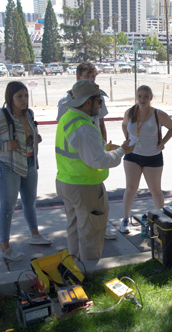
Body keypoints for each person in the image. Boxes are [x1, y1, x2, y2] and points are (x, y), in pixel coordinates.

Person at [55, 80, 135, 261]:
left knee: (75, 229)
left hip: (67, 182)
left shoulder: (68, 118)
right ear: (87, 101)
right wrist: (122, 150)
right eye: (99, 101)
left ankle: (75, 269)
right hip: (85, 188)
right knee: (91, 233)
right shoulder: (84, 127)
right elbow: (99, 161)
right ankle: (89, 274)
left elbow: (81, 152)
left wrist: (104, 149)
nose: (101, 105)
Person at [0, 81, 51, 262]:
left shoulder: (29, 114)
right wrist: (2, 146)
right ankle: (5, 246)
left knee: (30, 201)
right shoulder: (1, 117)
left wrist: (35, 139)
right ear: (10, 98)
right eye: (19, 96)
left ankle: (34, 234)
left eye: (26, 96)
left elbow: (28, 135)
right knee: (8, 206)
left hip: (29, 162)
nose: (24, 100)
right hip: (7, 166)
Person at [57, 61, 117, 240]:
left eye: (94, 77)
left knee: (77, 226)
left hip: (73, 176)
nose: (92, 81)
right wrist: (121, 151)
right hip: (83, 178)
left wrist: (103, 145)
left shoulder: (90, 105)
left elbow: (100, 124)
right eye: (88, 77)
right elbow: (97, 158)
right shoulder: (71, 110)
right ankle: (88, 263)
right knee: (88, 230)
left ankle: (78, 261)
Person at [119, 85, 172, 233]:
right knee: (131, 188)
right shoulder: (130, 112)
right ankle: (125, 219)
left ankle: (162, 222)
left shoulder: (158, 114)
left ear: (151, 98)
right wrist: (127, 140)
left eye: (146, 96)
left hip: (153, 156)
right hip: (132, 156)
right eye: (139, 96)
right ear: (136, 97)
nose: (142, 99)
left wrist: (163, 142)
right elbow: (124, 125)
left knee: (156, 190)